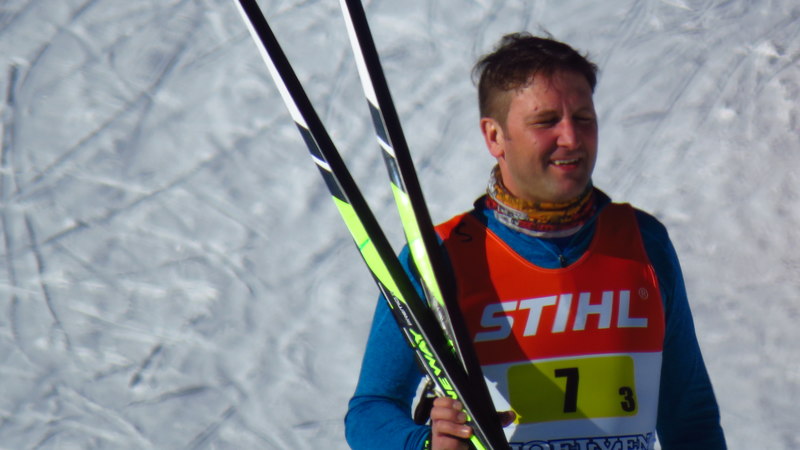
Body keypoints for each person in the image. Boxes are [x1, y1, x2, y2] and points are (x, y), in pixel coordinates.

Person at [344, 32, 726, 450]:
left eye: (583, 118)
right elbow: (371, 409)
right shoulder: (443, 256)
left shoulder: (644, 243)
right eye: (546, 122)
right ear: (494, 136)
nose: (571, 138)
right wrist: (425, 444)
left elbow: (690, 415)